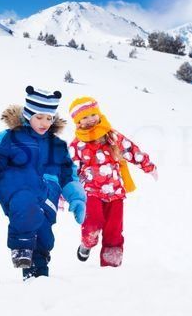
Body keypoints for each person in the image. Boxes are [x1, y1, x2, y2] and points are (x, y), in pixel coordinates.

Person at [0, 87, 87, 280]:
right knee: (26, 205)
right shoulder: (12, 137)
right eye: (39, 117)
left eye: (49, 118)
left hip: (48, 192)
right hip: (18, 185)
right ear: (28, 115)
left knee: (44, 236)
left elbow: (68, 173)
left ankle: (37, 277)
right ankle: (21, 247)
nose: (44, 123)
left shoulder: (57, 146)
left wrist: (76, 198)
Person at [67, 96, 157, 267]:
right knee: (92, 223)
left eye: (93, 114)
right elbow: (68, 171)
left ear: (99, 113)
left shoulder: (112, 136)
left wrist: (148, 166)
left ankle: (111, 267)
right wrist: (64, 192)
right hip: (90, 192)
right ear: (78, 122)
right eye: (84, 117)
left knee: (114, 231)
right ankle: (87, 243)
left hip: (115, 192)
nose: (90, 119)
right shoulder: (77, 145)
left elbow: (131, 150)